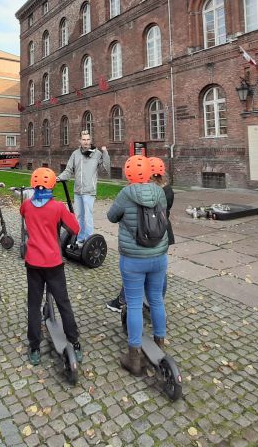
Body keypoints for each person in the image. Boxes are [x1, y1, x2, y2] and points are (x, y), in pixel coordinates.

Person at [106, 155, 169, 376]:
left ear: (128, 173)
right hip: (159, 256)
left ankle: (134, 357)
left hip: (133, 258)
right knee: (156, 299)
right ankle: (159, 344)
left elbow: (111, 216)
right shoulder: (159, 192)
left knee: (133, 304)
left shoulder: (125, 194)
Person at [20, 168, 82, 365]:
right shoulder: (58, 207)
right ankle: (74, 341)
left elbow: (25, 216)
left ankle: (34, 347)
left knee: (33, 304)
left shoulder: (26, 205)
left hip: (33, 262)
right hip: (53, 262)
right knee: (63, 302)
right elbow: (75, 229)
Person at [106, 156, 174, 312]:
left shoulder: (137, 191)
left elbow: (114, 215)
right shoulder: (164, 191)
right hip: (161, 234)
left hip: (141, 237)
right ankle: (154, 304)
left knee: (136, 273)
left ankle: (124, 300)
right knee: (158, 274)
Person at [57, 130, 110, 246]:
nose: (86, 142)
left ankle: (89, 240)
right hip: (78, 191)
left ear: (90, 140)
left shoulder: (97, 154)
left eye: (88, 139)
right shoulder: (75, 154)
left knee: (88, 216)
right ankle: (80, 239)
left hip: (89, 191)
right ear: (80, 141)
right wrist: (59, 178)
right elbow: (68, 170)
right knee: (79, 216)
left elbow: (105, 171)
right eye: (84, 140)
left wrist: (105, 153)